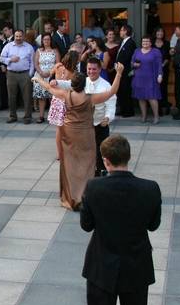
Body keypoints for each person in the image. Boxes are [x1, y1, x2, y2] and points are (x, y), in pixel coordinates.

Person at [70, 134, 162, 305]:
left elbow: (86, 225)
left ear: (105, 161)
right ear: (128, 158)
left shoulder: (95, 188)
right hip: (137, 266)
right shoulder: (150, 188)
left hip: (102, 267)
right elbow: (153, 225)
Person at [35, 64, 123, 211]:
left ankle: (70, 197)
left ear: (72, 84)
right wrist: (119, 73)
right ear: (84, 84)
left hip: (68, 133)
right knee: (87, 165)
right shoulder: (90, 98)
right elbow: (112, 91)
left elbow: (49, 88)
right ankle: (84, 196)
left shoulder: (65, 95)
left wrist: (38, 80)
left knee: (69, 164)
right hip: (86, 134)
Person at [85, 57, 117, 177]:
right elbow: (69, 85)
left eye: (94, 69)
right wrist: (56, 82)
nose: (91, 71)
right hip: (85, 125)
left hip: (100, 124)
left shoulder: (106, 85)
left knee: (102, 151)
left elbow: (111, 104)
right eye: (89, 69)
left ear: (99, 70)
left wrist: (108, 118)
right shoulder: (83, 81)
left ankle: (101, 172)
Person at [48, 51, 79, 160]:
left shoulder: (58, 66)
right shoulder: (74, 72)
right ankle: (69, 151)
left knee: (59, 129)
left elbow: (49, 74)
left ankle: (60, 154)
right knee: (70, 128)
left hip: (56, 98)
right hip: (67, 100)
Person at [0, 29, 34, 124]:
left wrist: (29, 75)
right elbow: (1, 58)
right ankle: (12, 116)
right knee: (11, 96)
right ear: (14, 36)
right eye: (16, 36)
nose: (18, 38)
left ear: (23, 37)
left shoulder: (29, 47)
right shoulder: (8, 46)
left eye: (20, 36)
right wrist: (10, 59)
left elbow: (32, 62)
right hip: (11, 74)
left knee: (27, 96)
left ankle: (27, 117)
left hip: (25, 74)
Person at [131, 36, 163, 124]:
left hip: (151, 77)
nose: (145, 43)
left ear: (151, 43)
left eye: (147, 41)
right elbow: (132, 62)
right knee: (141, 98)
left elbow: (159, 64)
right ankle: (143, 116)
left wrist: (160, 75)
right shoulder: (137, 51)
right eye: (143, 41)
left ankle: (156, 116)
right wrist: (134, 65)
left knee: (152, 97)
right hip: (139, 77)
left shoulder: (156, 52)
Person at [32, 33, 58, 123]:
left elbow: (58, 64)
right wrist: (41, 72)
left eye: (48, 39)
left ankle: (53, 117)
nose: (46, 41)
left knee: (52, 97)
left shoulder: (55, 51)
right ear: (42, 41)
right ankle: (41, 116)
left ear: (51, 40)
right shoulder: (39, 51)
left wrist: (51, 73)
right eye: (45, 39)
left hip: (52, 76)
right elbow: (35, 64)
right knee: (41, 97)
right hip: (40, 76)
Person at [115, 25, 136, 117]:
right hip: (120, 70)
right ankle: (123, 109)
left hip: (126, 70)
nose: (120, 32)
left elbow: (128, 57)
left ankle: (128, 111)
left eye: (121, 30)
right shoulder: (122, 42)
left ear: (126, 31)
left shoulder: (131, 42)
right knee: (121, 90)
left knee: (126, 90)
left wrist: (119, 64)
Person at [152, 28, 170, 113]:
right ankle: (155, 109)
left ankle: (163, 107)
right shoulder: (151, 43)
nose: (160, 33)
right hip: (152, 70)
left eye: (162, 31)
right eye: (158, 31)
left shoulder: (167, 43)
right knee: (154, 88)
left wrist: (162, 65)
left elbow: (168, 57)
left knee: (163, 88)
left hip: (164, 69)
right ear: (155, 33)